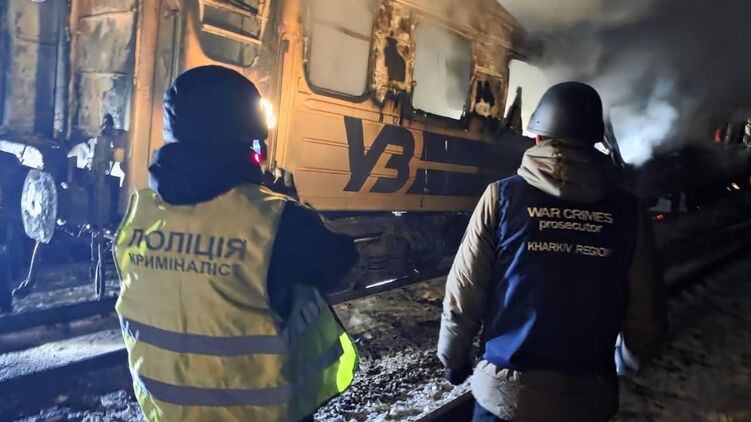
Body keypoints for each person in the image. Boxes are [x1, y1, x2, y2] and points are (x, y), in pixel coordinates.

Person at [114, 65, 359, 422]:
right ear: (244, 142)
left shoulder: (140, 213)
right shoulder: (273, 219)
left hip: (165, 413)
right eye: (257, 144)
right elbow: (341, 260)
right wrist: (288, 204)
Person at [437, 82, 667, 421]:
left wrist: (453, 359)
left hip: (505, 398)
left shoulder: (501, 198)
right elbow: (646, 312)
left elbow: (464, 293)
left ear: (538, 138)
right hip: (588, 398)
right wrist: (624, 364)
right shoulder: (629, 211)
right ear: (596, 142)